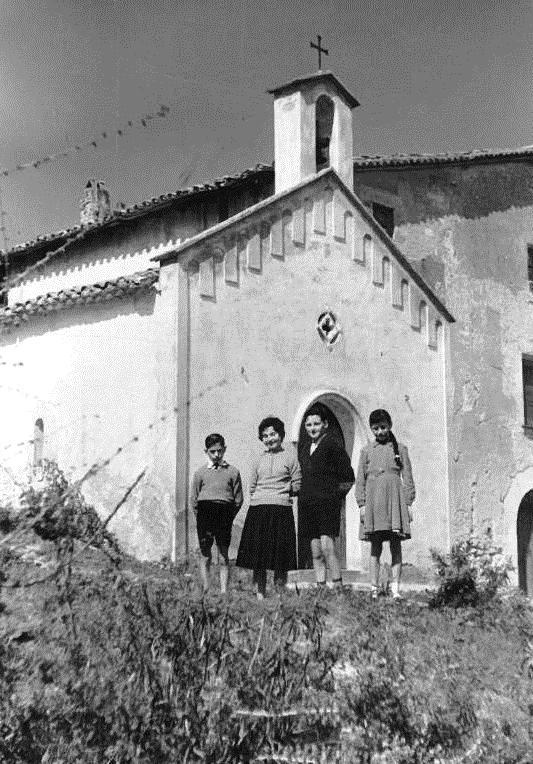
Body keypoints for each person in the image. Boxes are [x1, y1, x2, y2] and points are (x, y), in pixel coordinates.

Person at [236, 417, 301, 599]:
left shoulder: (290, 458)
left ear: (280, 435)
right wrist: (260, 498)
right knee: (259, 557)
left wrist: (283, 492)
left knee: (280, 557)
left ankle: (280, 596)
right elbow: (252, 486)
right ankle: (260, 596)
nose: (269, 438)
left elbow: (297, 484)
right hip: (259, 510)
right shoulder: (258, 459)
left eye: (272, 434)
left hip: (281, 510)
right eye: (265, 436)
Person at [356, 409, 416, 600]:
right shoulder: (366, 451)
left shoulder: (400, 449)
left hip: (394, 500)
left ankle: (395, 588)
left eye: (383, 427)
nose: (380, 432)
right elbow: (360, 480)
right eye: (376, 429)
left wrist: (408, 503)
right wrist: (362, 505)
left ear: (389, 426)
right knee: (375, 546)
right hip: (374, 501)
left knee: (396, 545)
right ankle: (374, 588)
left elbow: (408, 477)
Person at [298, 403, 355, 589]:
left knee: (327, 547)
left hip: (327, 506)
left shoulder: (333, 445)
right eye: (308, 425)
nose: (312, 428)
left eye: (316, 424)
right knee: (315, 551)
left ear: (325, 425)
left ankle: (338, 588)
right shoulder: (305, 448)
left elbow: (348, 478)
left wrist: (332, 497)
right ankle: (321, 588)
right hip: (307, 505)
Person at [190, 433, 243, 595]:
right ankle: (206, 588)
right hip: (205, 514)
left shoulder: (233, 472)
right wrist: (201, 517)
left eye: (220, 451)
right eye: (212, 451)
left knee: (223, 554)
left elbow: (238, 499)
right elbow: (194, 500)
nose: (216, 455)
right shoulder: (200, 473)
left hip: (224, 514)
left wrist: (228, 516)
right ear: (206, 451)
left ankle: (224, 591)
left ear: (224, 449)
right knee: (205, 553)